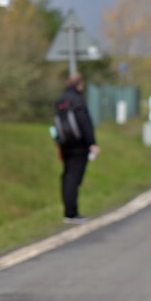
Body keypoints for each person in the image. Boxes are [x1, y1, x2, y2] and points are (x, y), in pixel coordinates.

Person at [53, 72, 99, 224]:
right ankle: (71, 213)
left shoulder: (61, 100)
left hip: (65, 144)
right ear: (80, 84)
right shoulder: (78, 100)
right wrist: (91, 142)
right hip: (79, 145)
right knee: (74, 178)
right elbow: (84, 122)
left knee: (67, 176)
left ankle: (68, 212)